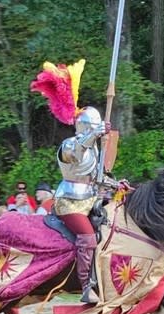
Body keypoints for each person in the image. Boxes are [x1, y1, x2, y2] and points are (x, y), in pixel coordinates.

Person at [53, 106, 108, 304]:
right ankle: (86, 286)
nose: (96, 131)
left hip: (90, 199)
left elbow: (96, 178)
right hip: (69, 202)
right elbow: (76, 154)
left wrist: (117, 184)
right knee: (88, 238)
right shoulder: (69, 145)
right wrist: (94, 134)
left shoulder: (94, 150)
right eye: (93, 127)